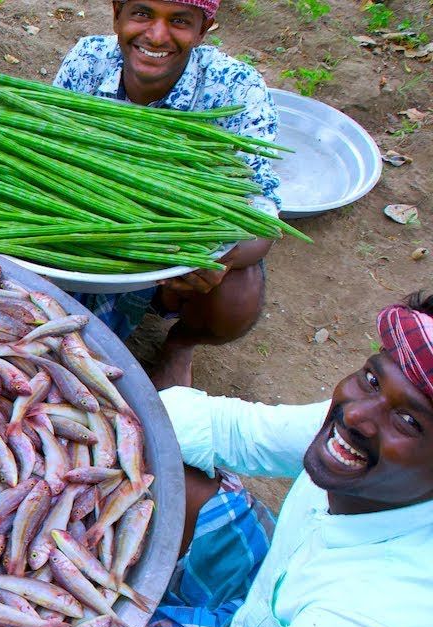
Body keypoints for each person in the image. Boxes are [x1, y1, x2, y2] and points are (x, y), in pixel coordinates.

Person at [58, 289, 433, 627]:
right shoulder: (364, 426)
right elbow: (236, 431)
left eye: (409, 421)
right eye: (371, 378)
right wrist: (90, 415)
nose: (356, 416)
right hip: (263, 609)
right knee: (169, 470)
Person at [53, 0, 281, 389]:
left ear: (203, 30)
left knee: (237, 297)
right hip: (84, 239)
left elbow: (262, 221)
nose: (157, 36)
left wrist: (203, 257)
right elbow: (49, 161)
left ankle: (180, 344)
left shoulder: (236, 90)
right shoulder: (88, 61)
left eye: (179, 21)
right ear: (117, 14)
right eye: (142, 13)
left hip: (176, 264)